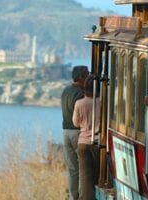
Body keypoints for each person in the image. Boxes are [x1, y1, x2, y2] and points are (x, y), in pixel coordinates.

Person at [61, 65, 88, 200]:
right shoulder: (80, 94)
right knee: (83, 168)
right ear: (82, 77)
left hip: (65, 132)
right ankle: (81, 196)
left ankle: (73, 197)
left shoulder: (65, 91)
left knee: (72, 169)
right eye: (87, 75)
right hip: (77, 133)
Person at [72, 74, 100, 200]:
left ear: (84, 88)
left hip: (83, 142)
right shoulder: (102, 102)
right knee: (99, 174)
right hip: (99, 143)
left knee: (84, 177)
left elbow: (75, 123)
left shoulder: (79, 103)